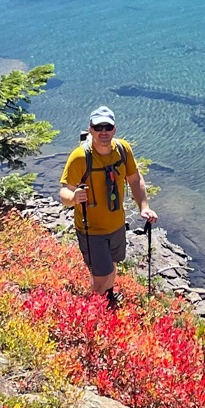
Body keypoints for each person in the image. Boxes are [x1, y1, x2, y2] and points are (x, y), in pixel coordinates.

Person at [59, 105, 156, 304]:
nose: (103, 131)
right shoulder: (80, 157)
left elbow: (135, 179)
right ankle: (96, 310)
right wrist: (74, 197)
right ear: (91, 129)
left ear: (114, 129)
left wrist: (144, 207)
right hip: (91, 229)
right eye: (98, 127)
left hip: (117, 224)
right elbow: (64, 193)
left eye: (108, 127)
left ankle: (108, 298)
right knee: (102, 274)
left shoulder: (122, 149)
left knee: (112, 265)